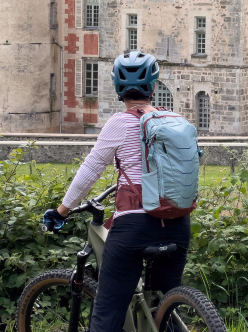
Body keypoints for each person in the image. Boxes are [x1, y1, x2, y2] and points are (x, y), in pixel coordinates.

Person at [43, 51, 191, 332]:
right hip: (178, 222)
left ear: (117, 89)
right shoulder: (175, 121)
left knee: (107, 313)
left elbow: (90, 171)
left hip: (134, 227)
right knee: (165, 311)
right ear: (154, 87)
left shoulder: (119, 123)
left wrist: (61, 211)